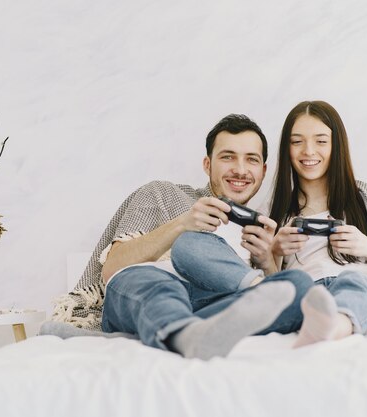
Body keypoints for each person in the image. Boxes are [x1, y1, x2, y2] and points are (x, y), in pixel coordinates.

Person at [170, 101, 367, 348]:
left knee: (356, 284)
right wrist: (273, 254)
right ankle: (323, 324)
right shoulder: (272, 212)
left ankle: (332, 327)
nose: (308, 152)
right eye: (297, 142)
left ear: (336, 146)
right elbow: (273, 286)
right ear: (287, 149)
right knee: (302, 293)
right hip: (310, 295)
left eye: (321, 141)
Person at [46, 114, 314, 360]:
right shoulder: (163, 194)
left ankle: (183, 335)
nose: (240, 169)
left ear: (263, 171)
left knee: (299, 284)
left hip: (211, 307)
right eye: (228, 157)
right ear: (207, 164)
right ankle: (179, 327)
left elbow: (272, 300)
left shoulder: (259, 228)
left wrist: (267, 261)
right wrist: (181, 225)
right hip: (146, 291)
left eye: (251, 159)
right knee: (189, 245)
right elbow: (113, 269)